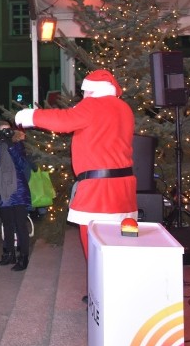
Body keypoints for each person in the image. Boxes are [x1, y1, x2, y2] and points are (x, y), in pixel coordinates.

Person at [15, 69, 137, 260]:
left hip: (99, 189)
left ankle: (99, 288)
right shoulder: (124, 108)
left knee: (94, 244)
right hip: (124, 187)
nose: (83, 96)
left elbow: (64, 121)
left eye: (85, 92)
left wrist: (30, 116)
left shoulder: (94, 105)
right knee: (119, 242)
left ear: (92, 91)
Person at [0, 122, 33, 271]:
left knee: (20, 225)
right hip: (2, 190)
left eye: (7, 130)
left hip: (18, 189)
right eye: (2, 131)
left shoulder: (17, 144)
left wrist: (10, 145)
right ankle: (9, 254)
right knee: (6, 225)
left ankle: (23, 257)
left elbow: (21, 164)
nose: (5, 133)